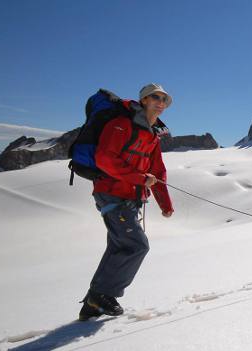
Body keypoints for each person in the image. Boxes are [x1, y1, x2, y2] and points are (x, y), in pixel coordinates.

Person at [79, 83, 174, 320]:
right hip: (112, 192)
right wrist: (141, 178)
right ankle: (102, 295)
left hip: (130, 197)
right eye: (155, 97)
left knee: (119, 246)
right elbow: (104, 159)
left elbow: (158, 172)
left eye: (164, 99)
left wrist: (166, 205)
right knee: (136, 245)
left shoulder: (152, 135)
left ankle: (92, 305)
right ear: (143, 100)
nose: (160, 102)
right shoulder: (121, 125)